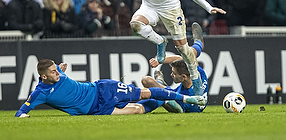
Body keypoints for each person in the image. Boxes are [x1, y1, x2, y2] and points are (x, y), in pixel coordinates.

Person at [67, 0, 225, 96]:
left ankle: (195, 80)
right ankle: (160, 41)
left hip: (171, 10)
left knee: (183, 50)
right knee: (135, 24)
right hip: (149, 7)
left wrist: (208, 7)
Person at [15, 58, 206, 117]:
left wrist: (61, 68)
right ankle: (164, 98)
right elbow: (22, 111)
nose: (57, 72)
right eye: (53, 72)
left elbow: (60, 68)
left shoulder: (57, 72)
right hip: (96, 109)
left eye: (56, 69)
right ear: (43, 77)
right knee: (138, 110)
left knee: (142, 93)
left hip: (103, 89)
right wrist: (24, 116)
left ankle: (185, 99)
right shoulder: (40, 93)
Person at [138, 22, 208, 113]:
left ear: (184, 77)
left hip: (174, 98)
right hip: (188, 94)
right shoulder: (200, 73)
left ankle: (160, 83)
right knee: (190, 54)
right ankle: (199, 43)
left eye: (174, 74)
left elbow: (175, 107)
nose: (171, 74)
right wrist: (161, 60)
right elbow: (180, 58)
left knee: (146, 81)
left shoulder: (185, 99)